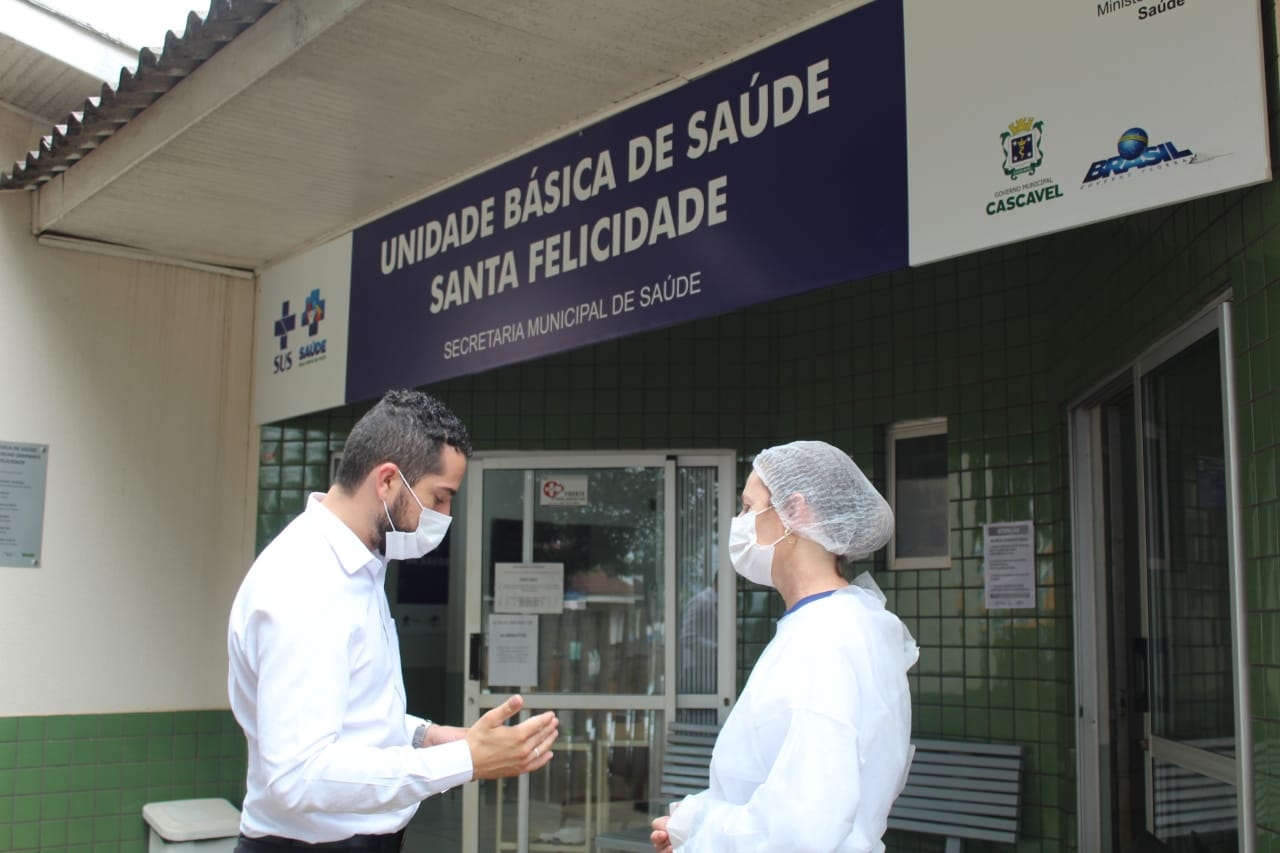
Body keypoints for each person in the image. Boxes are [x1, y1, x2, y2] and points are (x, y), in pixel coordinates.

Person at [228, 389, 559, 851]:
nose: (445, 517)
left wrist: (429, 736)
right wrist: (466, 760)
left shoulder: (359, 568)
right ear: (386, 481)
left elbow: (350, 713)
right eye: (439, 498)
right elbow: (297, 775)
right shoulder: (305, 581)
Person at [651, 440, 918, 853]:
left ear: (795, 512)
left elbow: (800, 831)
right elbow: (782, 782)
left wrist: (700, 829)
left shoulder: (827, 639)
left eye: (748, 506)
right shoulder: (829, 624)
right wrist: (692, 823)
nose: (739, 522)